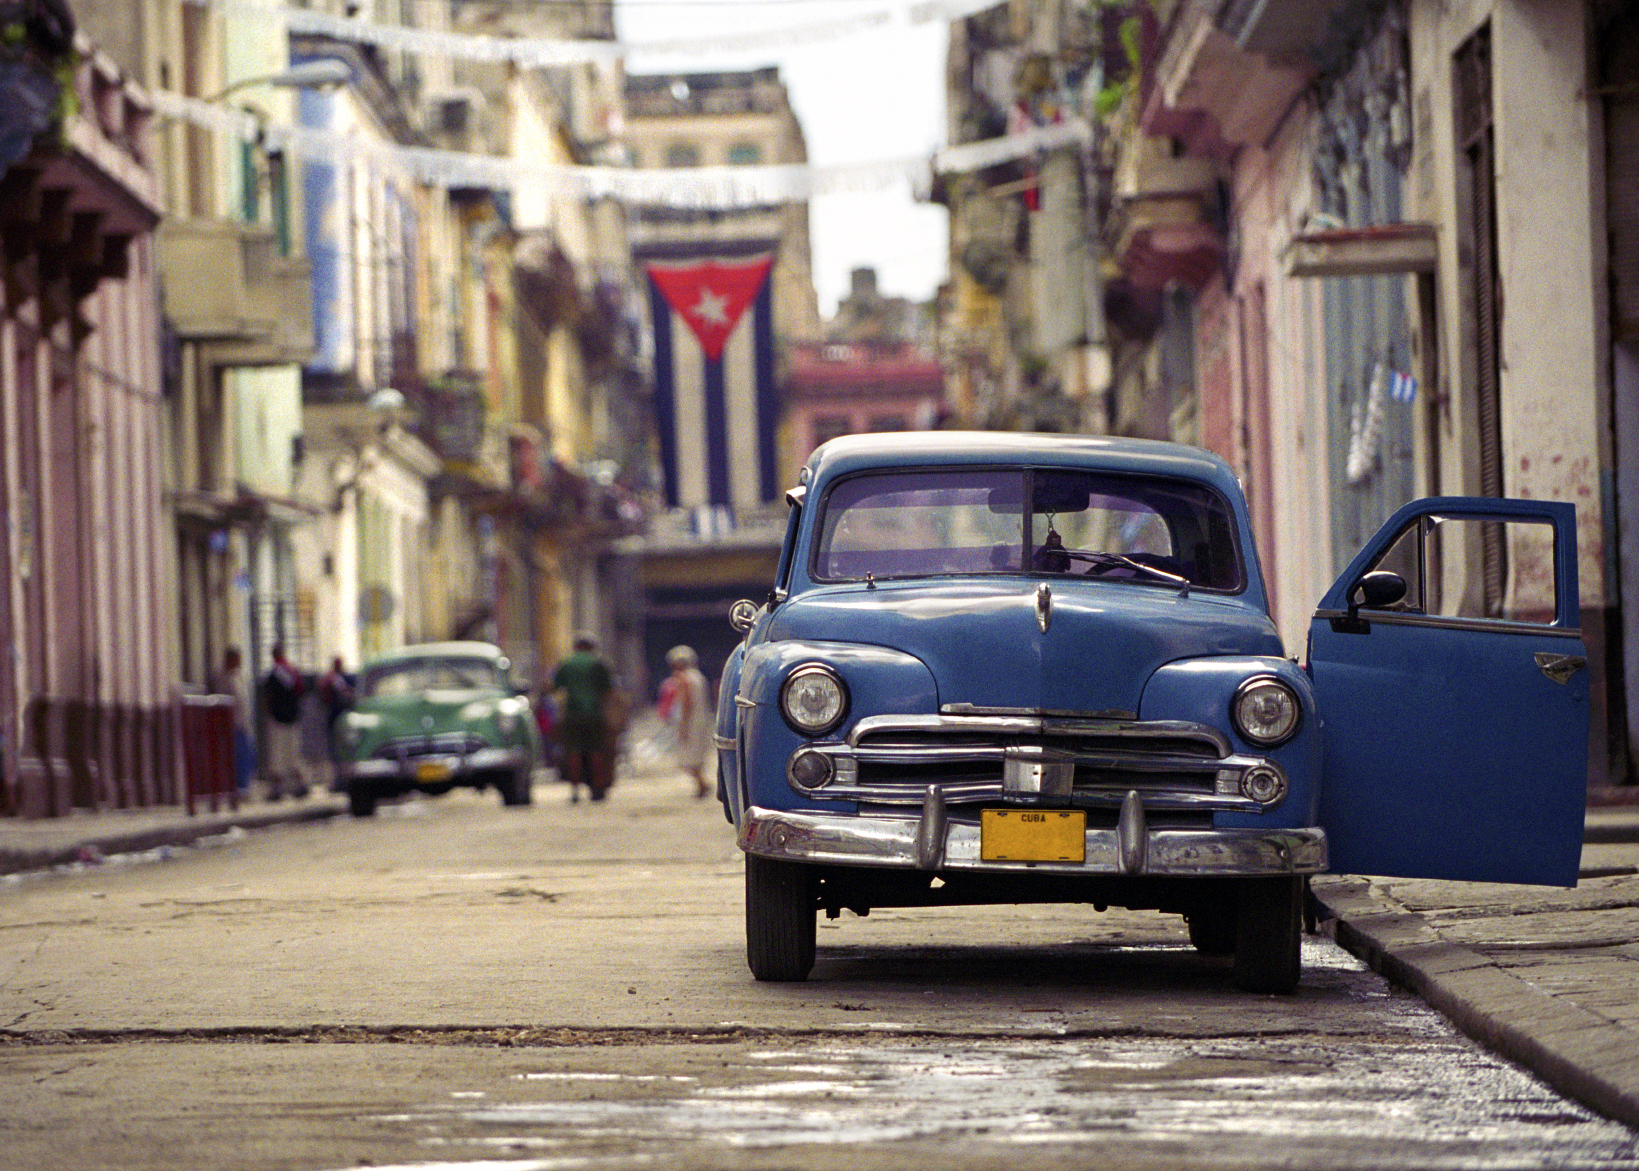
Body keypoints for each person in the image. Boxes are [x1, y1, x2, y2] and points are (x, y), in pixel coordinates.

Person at [552, 634, 614, 802]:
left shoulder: (566, 663)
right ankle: (598, 788)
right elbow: (608, 690)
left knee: (574, 752)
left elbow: (556, 687)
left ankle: (574, 791)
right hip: (594, 714)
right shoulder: (599, 663)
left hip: (573, 714)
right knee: (596, 751)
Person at [658, 645, 713, 799]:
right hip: (701, 720)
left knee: (689, 757)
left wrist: (683, 724)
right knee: (695, 757)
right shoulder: (698, 676)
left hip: (691, 721)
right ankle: (702, 785)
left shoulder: (684, 679)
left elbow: (687, 703)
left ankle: (703, 785)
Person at [262, 643, 309, 800]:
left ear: (273, 655)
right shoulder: (293, 670)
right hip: (293, 718)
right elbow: (301, 691)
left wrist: (270, 712)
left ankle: (277, 789)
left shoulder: (274, 672)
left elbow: (268, 695)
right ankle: (300, 785)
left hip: (277, 719)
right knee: (294, 751)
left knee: (277, 753)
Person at [211, 647, 255, 794]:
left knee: (247, 754)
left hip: (243, 722)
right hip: (233, 723)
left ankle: (244, 784)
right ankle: (237, 786)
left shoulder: (238, 676)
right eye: (236, 658)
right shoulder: (222, 677)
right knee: (237, 755)